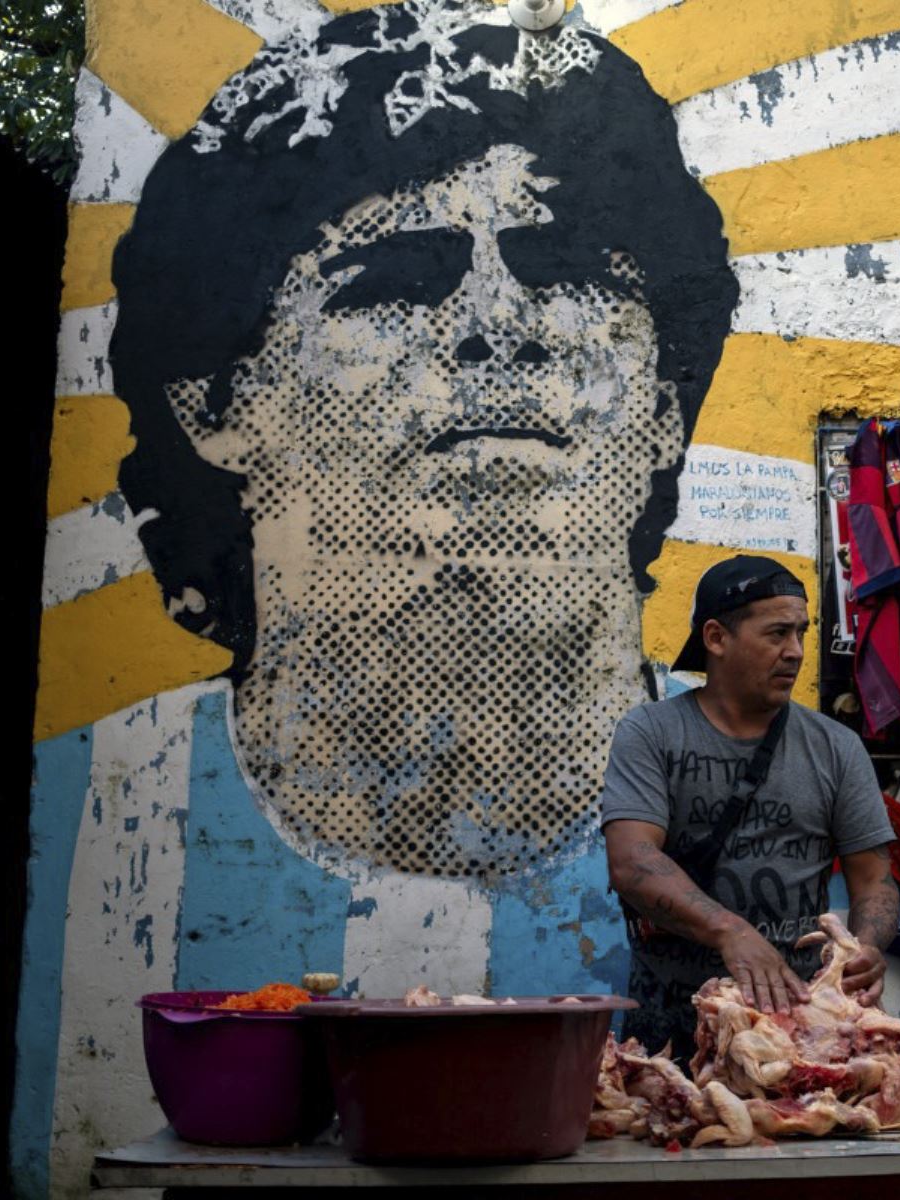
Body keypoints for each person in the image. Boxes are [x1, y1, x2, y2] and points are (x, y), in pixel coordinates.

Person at [107, 1, 740, 882]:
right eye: (396, 279)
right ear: (215, 401)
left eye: (566, 270)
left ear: (667, 399)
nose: (499, 323)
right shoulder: (110, 815)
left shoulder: (761, 777)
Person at [601, 556, 900, 1055]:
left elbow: (874, 879)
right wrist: (730, 931)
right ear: (716, 638)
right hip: (673, 1022)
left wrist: (864, 946)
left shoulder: (836, 747)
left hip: (800, 1020)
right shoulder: (652, 733)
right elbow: (631, 862)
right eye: (777, 634)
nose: (795, 652)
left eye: (801, 634)